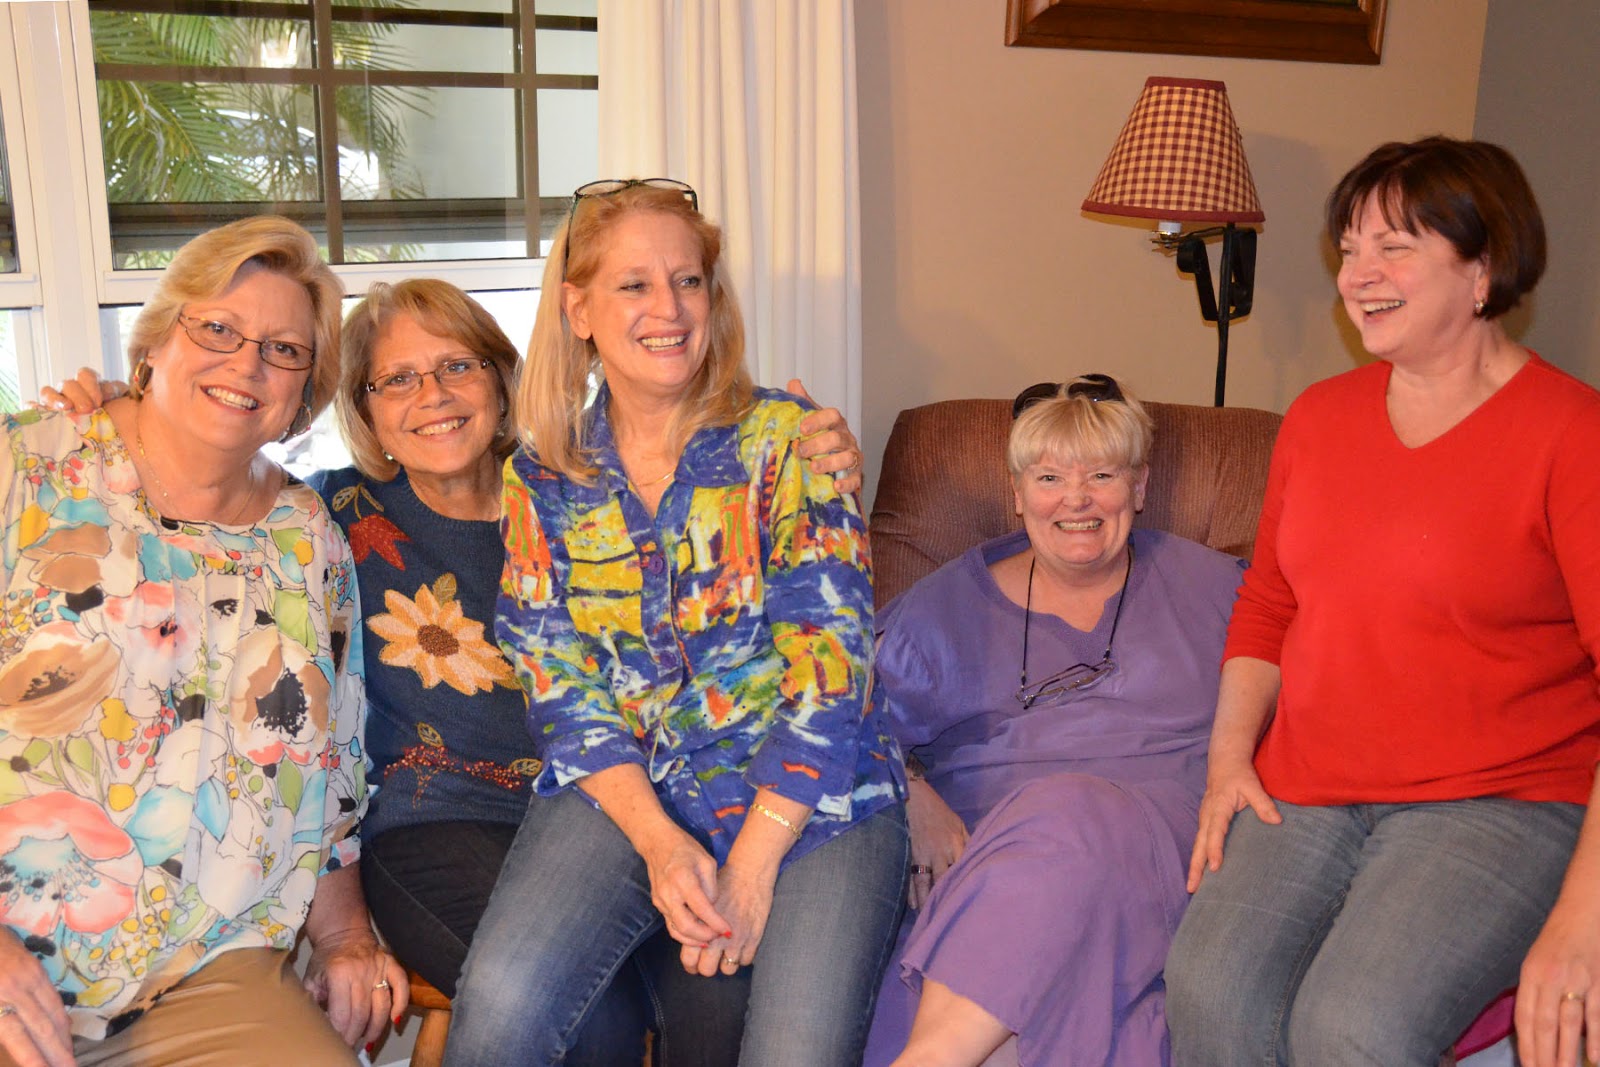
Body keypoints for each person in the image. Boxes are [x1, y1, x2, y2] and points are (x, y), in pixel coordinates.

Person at [38, 276, 867, 1064]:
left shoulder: (577, 497)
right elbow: (208, 476)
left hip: (607, 814)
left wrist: (810, 457)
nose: (431, 395)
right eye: (396, 379)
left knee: (720, 994)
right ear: (365, 411)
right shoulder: (329, 513)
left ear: (502, 382)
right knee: (587, 1020)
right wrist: (119, 402)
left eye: (456, 366)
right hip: (436, 821)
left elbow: (758, 602)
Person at [444, 178, 907, 1067]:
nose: (670, 308)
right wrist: (660, 843)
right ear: (578, 308)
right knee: (501, 1007)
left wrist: (751, 869)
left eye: (688, 280)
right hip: (631, 783)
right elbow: (558, 682)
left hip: (816, 798)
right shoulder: (542, 477)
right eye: (635, 285)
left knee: (795, 1053)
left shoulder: (787, 441)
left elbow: (831, 668)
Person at [1164, 136, 1600, 1067]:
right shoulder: (1320, 417)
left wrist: (1581, 919)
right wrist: (1228, 760)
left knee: (1352, 1026)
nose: (1358, 276)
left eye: (1394, 248)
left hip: (1503, 800)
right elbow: (1269, 603)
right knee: (1208, 989)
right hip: (1308, 785)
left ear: (1484, 267)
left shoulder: (1572, 435)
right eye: (1350, 249)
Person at [0, 216, 405, 1067]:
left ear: (304, 392)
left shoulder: (309, 539)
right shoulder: (26, 471)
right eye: (217, 328)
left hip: (207, 966)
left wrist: (345, 938)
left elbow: (330, 773)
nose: (247, 363)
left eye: (284, 350)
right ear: (156, 342)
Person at [859, 375, 1245, 1067]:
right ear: (1017, 494)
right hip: (989, 882)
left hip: (1167, 857)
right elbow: (842, 713)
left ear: (1140, 486)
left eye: (1102, 474)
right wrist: (911, 793)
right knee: (1129, 1033)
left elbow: (1314, 681)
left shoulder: (1217, 586)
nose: (1076, 498)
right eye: (1049, 477)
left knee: (1070, 808)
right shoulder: (945, 610)